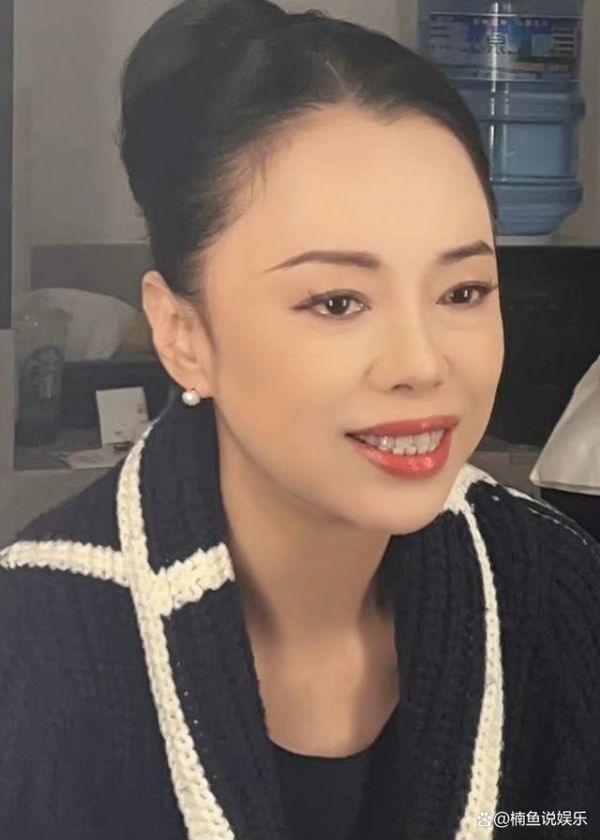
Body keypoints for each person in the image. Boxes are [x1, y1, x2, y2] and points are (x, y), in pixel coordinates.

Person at [1, 1, 599, 838]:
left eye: (463, 291)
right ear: (183, 335)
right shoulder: (32, 648)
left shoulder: (554, 596)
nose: (422, 363)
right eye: (337, 301)